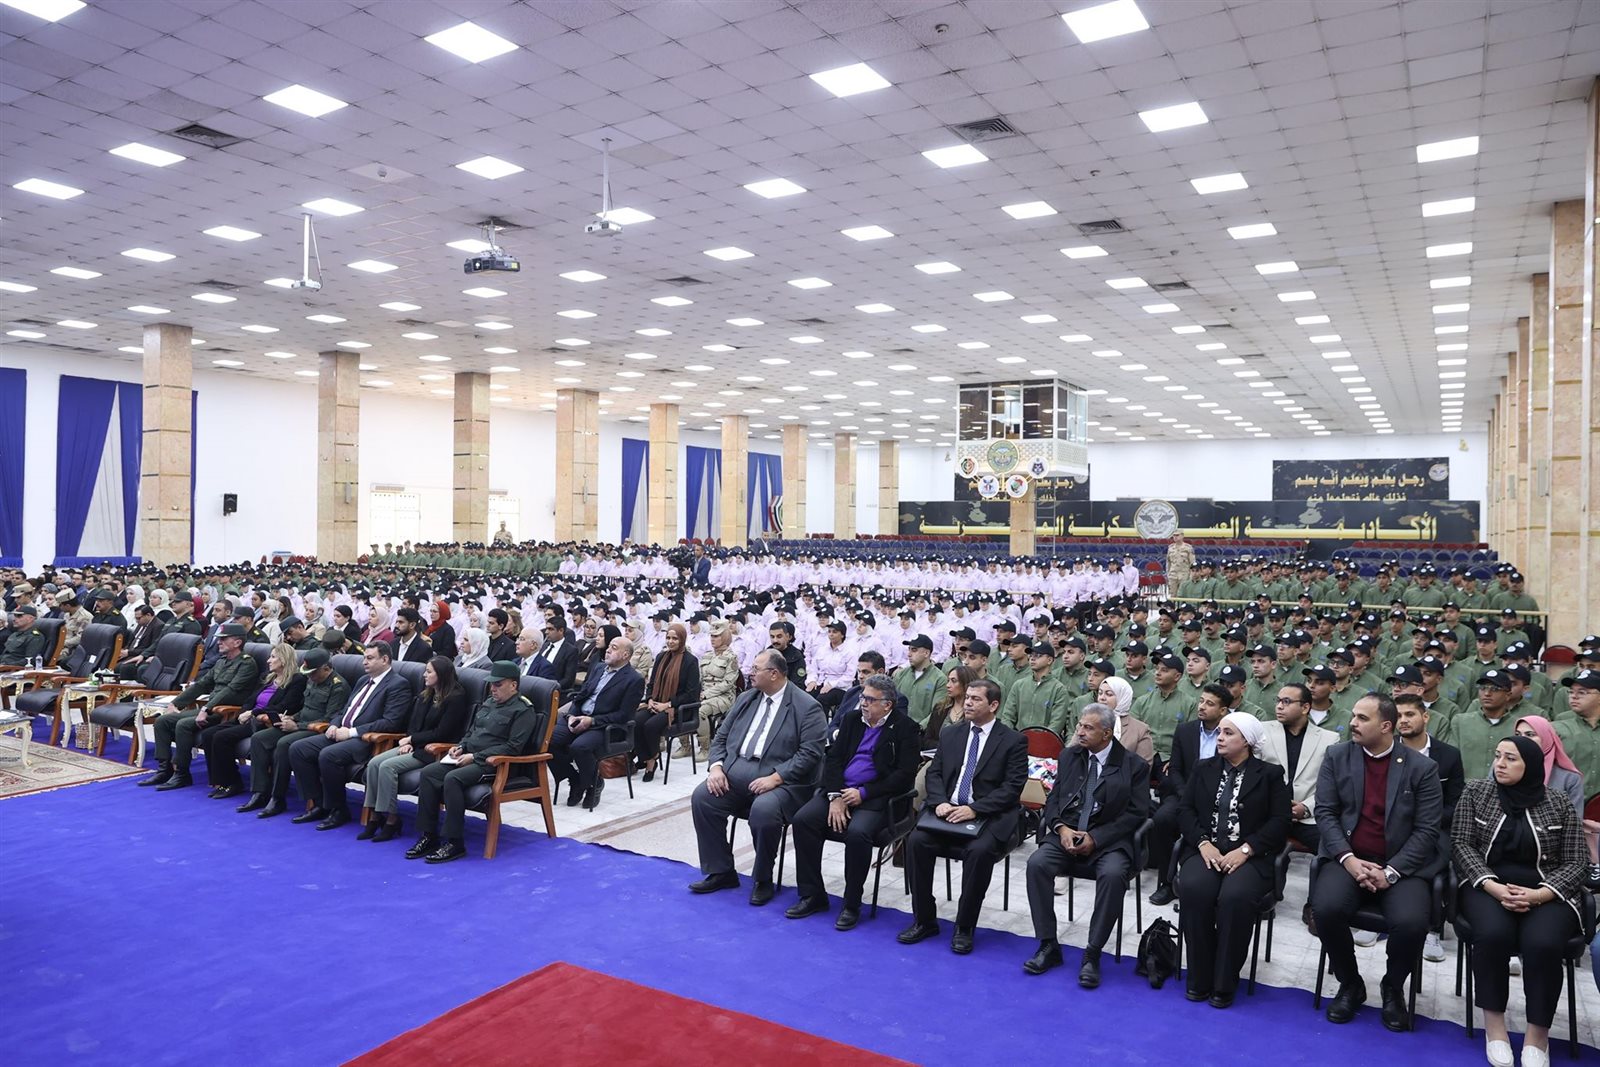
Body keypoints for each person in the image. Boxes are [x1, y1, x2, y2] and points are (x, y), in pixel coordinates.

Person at [1312, 693, 1445, 1032]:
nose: (1352, 723)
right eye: (1353, 716)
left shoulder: (1422, 768)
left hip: (1401, 866)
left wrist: (1391, 872)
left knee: (1412, 922)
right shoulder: (1337, 756)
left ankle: (1392, 986)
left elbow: (1427, 830)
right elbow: (1325, 813)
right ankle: (1350, 983)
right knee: (1325, 909)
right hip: (1348, 857)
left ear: (1386, 726)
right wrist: (1348, 859)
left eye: (1362, 718)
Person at [1452, 735, 1586, 1067]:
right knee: (1492, 935)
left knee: (1543, 943)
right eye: (1498, 756)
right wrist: (1494, 887)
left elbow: (1577, 861)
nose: (1500, 764)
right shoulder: (1476, 792)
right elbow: (1461, 844)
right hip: (1487, 887)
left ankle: (1537, 1036)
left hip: (1546, 891)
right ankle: (1495, 1027)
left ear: (1532, 765)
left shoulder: (1558, 802)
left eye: (1510, 759)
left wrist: (1540, 894)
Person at [1022, 703, 1151, 986]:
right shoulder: (1069, 756)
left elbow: (1137, 814)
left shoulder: (1134, 766)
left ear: (1106, 733)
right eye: (1080, 725)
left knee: (1113, 875)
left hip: (1110, 841)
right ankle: (1048, 944)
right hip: (1067, 833)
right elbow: (1053, 800)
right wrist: (1061, 828)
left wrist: (1096, 838)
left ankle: (1092, 953)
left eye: (1088, 728)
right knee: (1037, 864)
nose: (1079, 731)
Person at [898, 678, 1028, 955]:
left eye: (975, 699)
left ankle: (964, 926)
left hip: (987, 816)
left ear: (993, 705)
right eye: (967, 697)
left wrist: (975, 809)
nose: (967, 702)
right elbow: (934, 773)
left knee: (979, 851)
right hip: (947, 810)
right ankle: (924, 920)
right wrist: (939, 802)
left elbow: (1012, 788)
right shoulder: (951, 734)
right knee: (917, 841)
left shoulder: (1013, 740)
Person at [689, 649, 827, 905]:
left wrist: (777, 778)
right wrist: (716, 767)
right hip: (736, 772)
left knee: (764, 810)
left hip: (782, 781)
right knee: (703, 798)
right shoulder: (746, 698)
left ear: (774, 674)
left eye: (755, 669)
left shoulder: (807, 706)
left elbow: (810, 754)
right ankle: (721, 871)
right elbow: (721, 736)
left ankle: (763, 878)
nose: (750, 673)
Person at [786, 673, 921, 930]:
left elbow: (903, 776)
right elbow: (834, 759)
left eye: (870, 699)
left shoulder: (906, 728)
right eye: (862, 698)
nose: (863, 703)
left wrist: (864, 793)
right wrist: (835, 796)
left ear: (887, 704)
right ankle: (812, 895)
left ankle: (851, 904)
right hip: (840, 792)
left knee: (858, 833)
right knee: (803, 820)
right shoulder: (851, 720)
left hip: (876, 797)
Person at [1176, 711, 1292, 1007]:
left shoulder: (1270, 774)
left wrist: (1246, 850)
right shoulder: (1203, 768)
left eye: (1228, 733)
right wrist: (1203, 843)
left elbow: (1280, 822)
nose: (1220, 738)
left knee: (1235, 898)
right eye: (1220, 732)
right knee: (1195, 889)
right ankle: (1199, 976)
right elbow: (1185, 811)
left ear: (1247, 742)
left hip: (1250, 856)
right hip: (1206, 850)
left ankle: (1224, 981)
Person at [406, 660, 540, 863]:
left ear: (513, 685)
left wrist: (475, 757)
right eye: (492, 684)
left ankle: (454, 842)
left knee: (453, 778)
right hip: (469, 756)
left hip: (494, 764)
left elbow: (514, 747)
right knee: (429, 773)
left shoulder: (523, 710)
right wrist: (461, 746)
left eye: (498, 684)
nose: (493, 688)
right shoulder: (489, 702)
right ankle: (429, 836)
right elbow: (473, 732)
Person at [287, 641, 413, 829]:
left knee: (328, 755)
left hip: (367, 740)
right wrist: (334, 724)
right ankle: (319, 804)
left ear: (385, 659)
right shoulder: (363, 680)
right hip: (342, 732)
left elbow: (390, 722)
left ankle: (339, 810)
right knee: (298, 749)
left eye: (370, 658)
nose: (364, 662)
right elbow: (344, 710)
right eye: (364, 658)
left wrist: (351, 732)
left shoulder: (398, 684)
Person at [359, 655, 470, 842]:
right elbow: (413, 722)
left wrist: (413, 739)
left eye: (429, 672)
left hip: (433, 751)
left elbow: (442, 732)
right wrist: (409, 741)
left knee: (387, 767)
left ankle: (392, 819)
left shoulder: (456, 698)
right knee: (374, 763)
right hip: (414, 745)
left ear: (441, 674)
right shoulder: (427, 693)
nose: (424, 675)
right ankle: (374, 816)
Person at [139, 622, 260, 791]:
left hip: (226, 713)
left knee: (183, 724)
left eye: (224, 639)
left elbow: (231, 691)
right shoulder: (221, 662)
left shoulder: (247, 664)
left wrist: (206, 709)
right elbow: (202, 685)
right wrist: (176, 703)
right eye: (219, 639)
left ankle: (182, 773)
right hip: (210, 709)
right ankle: (164, 770)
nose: (219, 642)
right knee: (163, 721)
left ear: (237, 642)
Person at [237, 649, 350, 816]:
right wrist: (291, 717)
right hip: (300, 723)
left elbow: (329, 719)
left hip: (316, 730)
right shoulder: (312, 679)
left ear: (326, 668)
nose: (310, 676)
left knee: (284, 744)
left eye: (313, 672)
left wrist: (297, 726)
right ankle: (260, 792)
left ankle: (278, 798)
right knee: (259, 738)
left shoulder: (337, 686)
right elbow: (306, 709)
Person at [547, 634, 646, 810]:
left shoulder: (634, 679)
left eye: (614, 648)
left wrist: (591, 721)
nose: (608, 650)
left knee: (580, 747)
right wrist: (572, 716)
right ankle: (575, 779)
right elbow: (581, 695)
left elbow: (624, 715)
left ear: (625, 655)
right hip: (580, 717)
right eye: (609, 646)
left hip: (605, 726)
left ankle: (594, 783)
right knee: (547, 741)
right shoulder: (598, 668)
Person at [199, 642, 303, 799]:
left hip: (262, 722)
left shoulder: (296, 680)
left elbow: (285, 706)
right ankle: (219, 782)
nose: (268, 660)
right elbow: (250, 699)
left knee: (221, 737)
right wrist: (244, 712)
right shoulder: (268, 678)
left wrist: (253, 713)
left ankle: (233, 783)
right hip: (248, 716)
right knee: (208, 734)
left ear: (283, 660)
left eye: (273, 657)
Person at [632, 622, 700, 782]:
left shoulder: (690, 661)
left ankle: (650, 761)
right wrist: (650, 699)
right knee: (636, 721)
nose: (670, 641)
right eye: (668, 638)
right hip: (656, 703)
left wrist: (668, 704)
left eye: (675, 638)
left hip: (678, 709)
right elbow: (652, 683)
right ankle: (647, 757)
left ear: (682, 639)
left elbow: (691, 694)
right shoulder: (661, 657)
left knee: (651, 726)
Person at [1515, 715, 1585, 816]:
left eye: (1530, 734)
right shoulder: (1501, 767)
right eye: (1517, 734)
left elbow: (1574, 821)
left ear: (1546, 738)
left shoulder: (1570, 779)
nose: (1522, 739)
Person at [1097, 675, 1153, 762]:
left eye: (1109, 694)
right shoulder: (1086, 723)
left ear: (1122, 697)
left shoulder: (1140, 730)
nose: (1102, 698)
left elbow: (1144, 765)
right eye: (1100, 693)